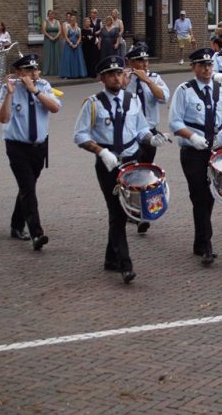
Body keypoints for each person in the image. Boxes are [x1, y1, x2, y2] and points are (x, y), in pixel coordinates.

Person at [74, 55, 168, 284]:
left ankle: (111, 257)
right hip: (108, 162)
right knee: (116, 211)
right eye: (111, 74)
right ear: (102, 78)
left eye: (119, 73)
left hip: (131, 159)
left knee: (124, 211)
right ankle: (126, 265)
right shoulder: (93, 103)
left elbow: (140, 130)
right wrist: (100, 151)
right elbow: (80, 135)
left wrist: (151, 139)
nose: (116, 78)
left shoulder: (132, 100)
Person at [168, 48, 222, 266]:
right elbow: (175, 123)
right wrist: (192, 137)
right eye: (202, 65)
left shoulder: (219, 89)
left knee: (210, 195)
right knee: (200, 195)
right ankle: (206, 245)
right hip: (194, 152)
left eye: (209, 65)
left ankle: (200, 240)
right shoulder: (185, 91)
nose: (206, 69)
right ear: (193, 67)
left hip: (216, 150)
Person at [0, 54, 61, 250]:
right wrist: (9, 94)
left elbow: (55, 108)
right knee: (27, 188)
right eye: (28, 70)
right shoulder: (8, 89)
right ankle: (36, 233)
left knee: (28, 187)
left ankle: (16, 225)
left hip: (39, 147)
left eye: (35, 70)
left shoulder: (43, 86)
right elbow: (3, 118)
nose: (33, 74)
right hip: (17, 146)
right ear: (19, 72)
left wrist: (35, 91)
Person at [125, 44, 171, 230]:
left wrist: (148, 82)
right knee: (130, 172)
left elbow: (163, 98)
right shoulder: (124, 79)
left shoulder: (155, 78)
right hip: (129, 134)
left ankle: (141, 211)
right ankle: (132, 210)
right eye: (140, 61)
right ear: (131, 62)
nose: (145, 64)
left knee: (144, 173)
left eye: (146, 60)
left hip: (149, 133)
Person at [60, 12, 87, 79]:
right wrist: (71, 43)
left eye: (74, 20)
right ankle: (67, 74)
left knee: (77, 60)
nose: (72, 21)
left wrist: (77, 44)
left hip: (77, 46)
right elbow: (66, 36)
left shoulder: (78, 29)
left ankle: (78, 74)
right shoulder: (68, 27)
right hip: (69, 45)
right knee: (68, 60)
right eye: (71, 20)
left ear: (75, 20)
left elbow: (80, 37)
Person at [41, 10, 62, 77]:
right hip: (48, 40)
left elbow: (60, 30)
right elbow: (44, 31)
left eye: (52, 14)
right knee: (48, 54)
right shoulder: (45, 21)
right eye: (50, 14)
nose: (51, 15)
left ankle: (57, 70)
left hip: (56, 40)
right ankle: (47, 70)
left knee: (56, 54)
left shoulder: (57, 21)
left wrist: (56, 37)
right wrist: (50, 37)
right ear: (48, 15)